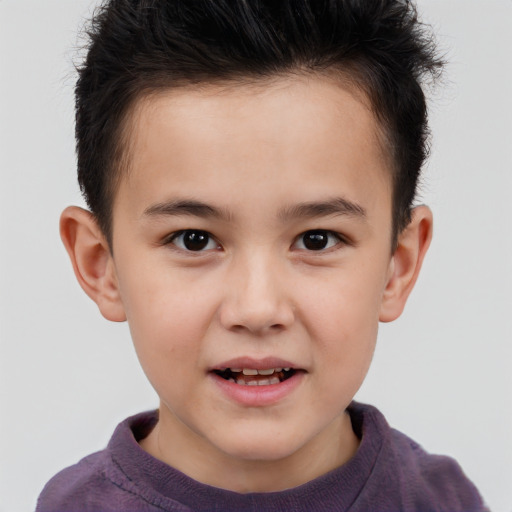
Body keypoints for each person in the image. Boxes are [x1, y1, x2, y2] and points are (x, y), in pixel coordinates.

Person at [36, 0, 487, 510]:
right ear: (102, 265)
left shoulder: (446, 501)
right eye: (194, 239)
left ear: (397, 265)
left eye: (316, 239)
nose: (256, 309)